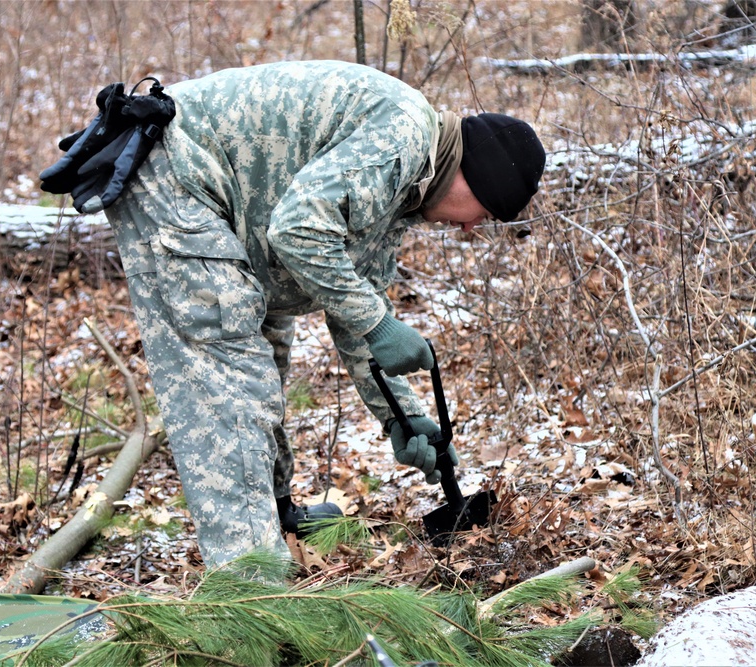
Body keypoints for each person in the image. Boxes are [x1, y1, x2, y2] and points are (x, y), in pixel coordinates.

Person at [96, 60, 546, 568]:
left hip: (230, 209)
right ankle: (250, 588)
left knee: (263, 347)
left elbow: (355, 308)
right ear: (472, 179)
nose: (470, 229)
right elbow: (297, 231)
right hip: (174, 176)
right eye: (484, 214)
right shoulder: (403, 137)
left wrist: (401, 414)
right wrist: (379, 323)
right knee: (228, 384)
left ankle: (272, 513)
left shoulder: (409, 186)